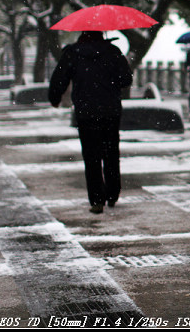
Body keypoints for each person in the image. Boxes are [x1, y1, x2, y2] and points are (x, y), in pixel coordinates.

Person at [48, 31, 133, 214]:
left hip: (86, 112)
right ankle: (112, 193)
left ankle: (96, 199)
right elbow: (126, 80)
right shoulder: (113, 51)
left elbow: (59, 77)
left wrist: (54, 97)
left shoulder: (73, 53)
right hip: (110, 110)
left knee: (91, 156)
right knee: (111, 152)